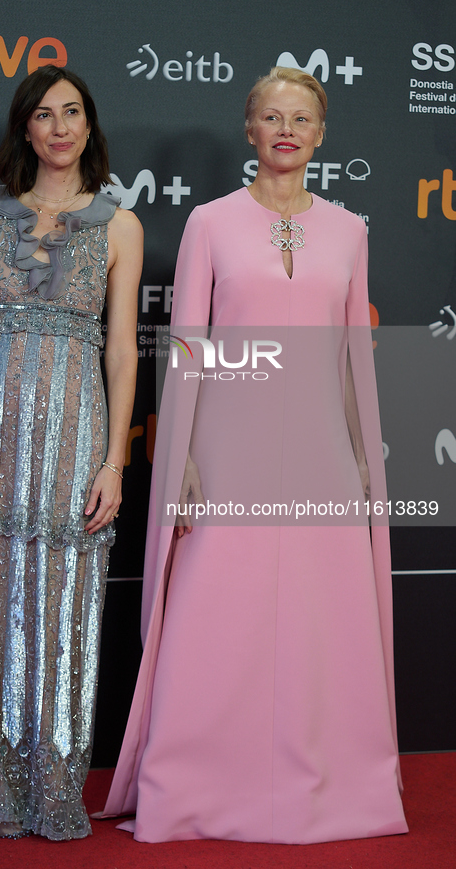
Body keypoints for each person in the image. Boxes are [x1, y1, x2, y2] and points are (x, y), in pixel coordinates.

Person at [99, 67, 408, 843]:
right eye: (270, 116)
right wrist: (183, 457)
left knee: (323, 624)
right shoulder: (209, 222)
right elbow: (189, 348)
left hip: (320, 455)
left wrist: (361, 461)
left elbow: (349, 360)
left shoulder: (349, 230)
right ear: (249, 129)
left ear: (320, 133)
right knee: (216, 620)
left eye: (299, 118)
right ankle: (199, 787)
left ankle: (337, 788)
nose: (285, 129)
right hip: (226, 450)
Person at [0, 65, 143, 840]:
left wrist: (113, 460)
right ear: (26, 130)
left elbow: (121, 352)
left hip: (75, 438)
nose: (60, 127)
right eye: (44, 115)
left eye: (72, 112)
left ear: (89, 124)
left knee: (64, 606)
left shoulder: (120, 226)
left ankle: (48, 788)